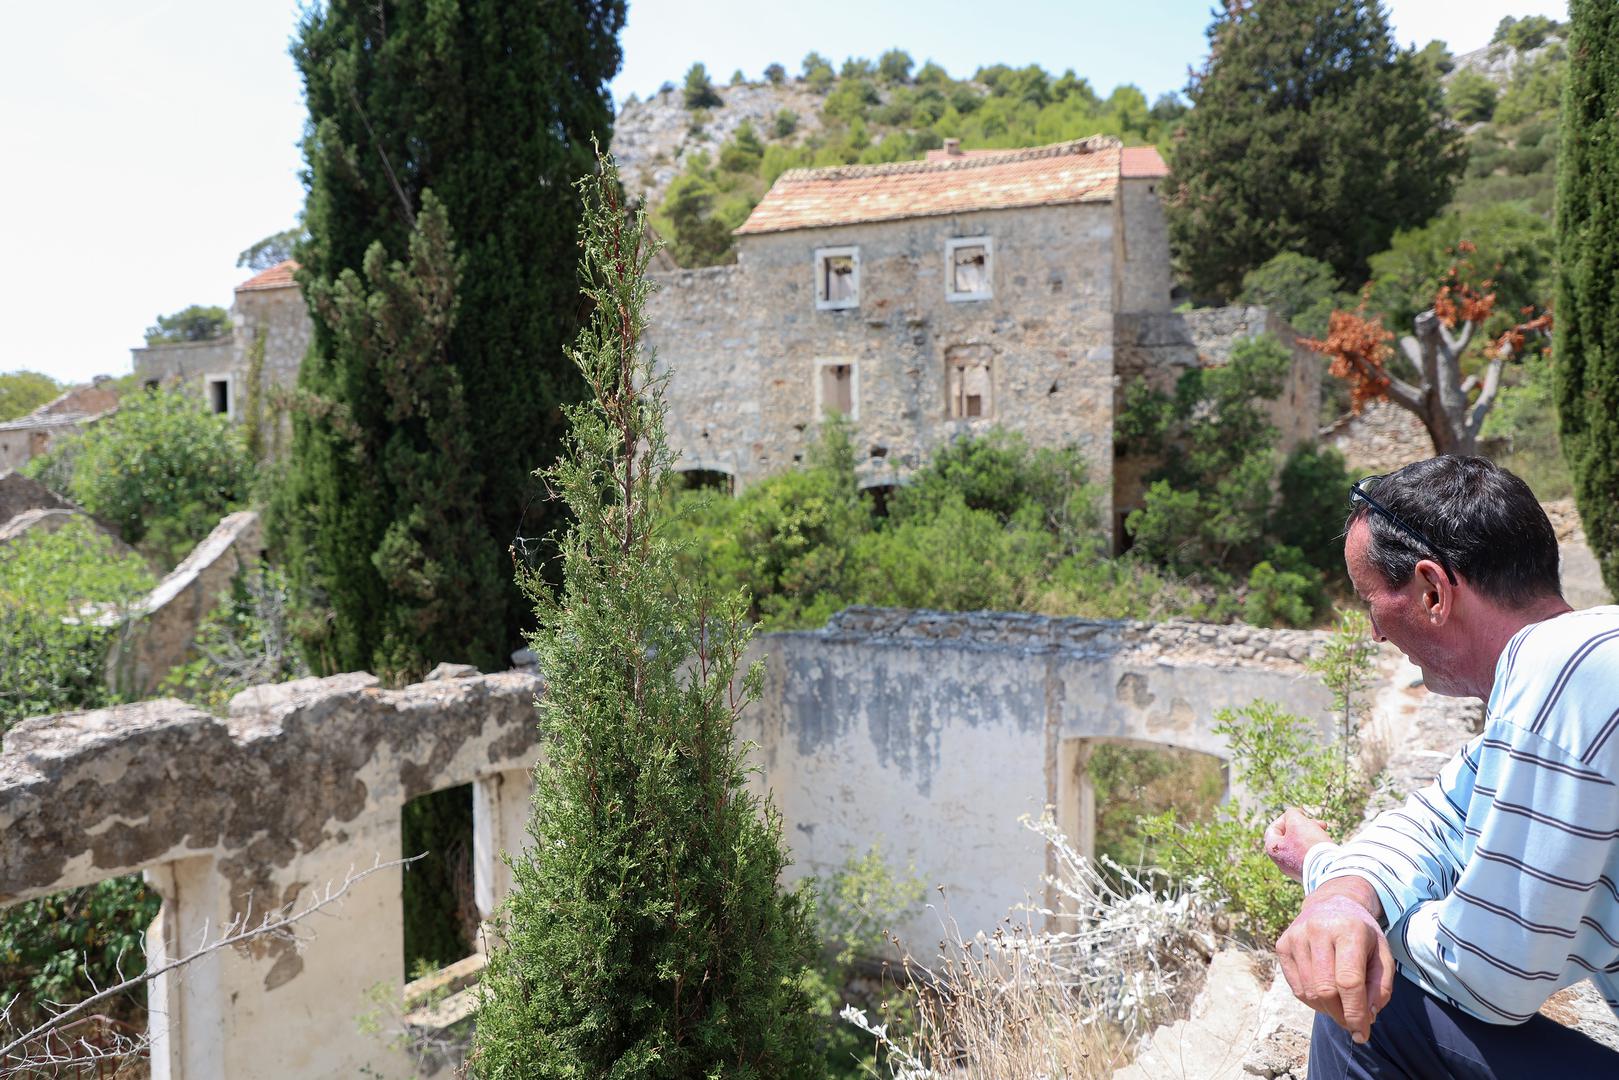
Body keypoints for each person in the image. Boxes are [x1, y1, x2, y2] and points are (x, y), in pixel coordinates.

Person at [1262, 456, 1619, 1078]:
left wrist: (1361, 930)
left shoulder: (1563, 669)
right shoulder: (1574, 668)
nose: (1374, 632)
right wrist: (1342, 892)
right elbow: (1436, 820)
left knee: (1372, 1019)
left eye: (1370, 600)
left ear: (1432, 591)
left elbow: (1489, 975)